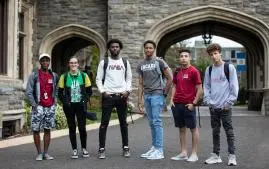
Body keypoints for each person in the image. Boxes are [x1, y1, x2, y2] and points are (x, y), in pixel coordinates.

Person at [96, 39, 132, 159]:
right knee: (104, 123)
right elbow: (98, 79)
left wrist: (127, 91)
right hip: (108, 96)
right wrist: (103, 92)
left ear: (120, 48)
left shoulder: (125, 62)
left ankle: (126, 148)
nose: (115, 48)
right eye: (112, 47)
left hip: (121, 96)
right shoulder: (104, 62)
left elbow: (129, 79)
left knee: (123, 124)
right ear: (109, 49)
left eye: (117, 47)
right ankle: (101, 149)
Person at [203, 43, 239, 166]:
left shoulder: (229, 68)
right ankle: (216, 155)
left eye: (215, 53)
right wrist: (208, 101)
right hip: (213, 107)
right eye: (211, 54)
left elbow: (234, 87)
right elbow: (206, 86)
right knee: (215, 131)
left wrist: (229, 102)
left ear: (220, 53)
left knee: (229, 131)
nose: (213, 56)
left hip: (225, 107)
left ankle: (232, 156)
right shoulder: (209, 69)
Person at [137, 40, 172, 160]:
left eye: (150, 48)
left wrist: (164, 94)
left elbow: (170, 78)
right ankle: (154, 147)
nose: (148, 50)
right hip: (147, 95)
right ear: (144, 49)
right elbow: (141, 83)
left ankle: (160, 150)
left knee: (157, 122)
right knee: (151, 123)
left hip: (157, 95)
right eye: (146, 48)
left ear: (154, 49)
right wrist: (139, 100)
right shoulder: (141, 64)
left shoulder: (159, 61)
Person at [170, 49, 203, 162]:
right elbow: (174, 86)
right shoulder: (177, 71)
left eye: (186, 56)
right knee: (181, 129)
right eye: (181, 56)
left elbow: (199, 89)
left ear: (190, 58)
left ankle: (194, 154)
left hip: (188, 105)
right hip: (177, 104)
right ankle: (184, 152)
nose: (183, 58)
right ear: (179, 58)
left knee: (193, 129)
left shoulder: (194, 71)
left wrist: (194, 103)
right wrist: (171, 100)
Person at [25, 53, 58, 161]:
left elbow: (56, 89)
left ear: (49, 62)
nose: (45, 62)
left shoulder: (53, 75)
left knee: (47, 129)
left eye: (47, 60)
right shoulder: (34, 75)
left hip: (50, 107)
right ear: (40, 62)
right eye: (43, 60)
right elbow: (28, 92)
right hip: (38, 106)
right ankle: (39, 153)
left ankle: (46, 153)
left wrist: (55, 101)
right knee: (36, 130)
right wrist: (34, 104)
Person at [58, 57, 92, 159]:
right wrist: (65, 102)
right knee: (72, 128)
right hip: (69, 106)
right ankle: (74, 150)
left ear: (78, 64)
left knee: (82, 128)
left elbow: (89, 91)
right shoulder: (64, 77)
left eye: (75, 63)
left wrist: (84, 100)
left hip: (80, 105)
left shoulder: (84, 75)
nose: (73, 64)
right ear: (69, 64)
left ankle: (84, 149)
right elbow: (60, 93)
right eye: (71, 63)